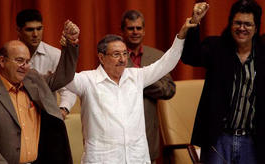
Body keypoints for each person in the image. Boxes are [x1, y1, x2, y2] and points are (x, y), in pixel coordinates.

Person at [65, 15, 197, 163]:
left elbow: (166, 63)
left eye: (124, 54)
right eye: (116, 54)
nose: (122, 59)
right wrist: (70, 46)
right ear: (101, 58)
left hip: (137, 158)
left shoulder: (136, 76)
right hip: (103, 159)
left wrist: (182, 35)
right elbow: (65, 78)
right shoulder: (87, 80)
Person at [182, 0, 265, 163]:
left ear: (256, 28)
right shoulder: (216, 47)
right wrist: (194, 22)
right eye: (237, 23)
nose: (242, 28)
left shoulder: (263, 54)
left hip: (252, 142)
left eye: (248, 24)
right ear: (230, 24)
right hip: (218, 139)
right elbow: (190, 57)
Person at [0, 20, 80, 164]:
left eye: (27, 62)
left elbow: (64, 77)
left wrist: (71, 44)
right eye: (19, 60)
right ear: (2, 61)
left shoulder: (33, 78)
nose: (24, 66)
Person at [0, 9, 77, 118]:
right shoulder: (2, 57)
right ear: (18, 31)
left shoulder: (54, 55)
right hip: (12, 118)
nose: (35, 34)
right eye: (30, 30)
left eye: (39, 29)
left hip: (45, 118)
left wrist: (63, 109)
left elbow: (67, 86)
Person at [120, 10, 176, 163]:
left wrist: (138, 79)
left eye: (139, 28)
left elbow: (169, 90)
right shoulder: (114, 55)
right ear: (123, 31)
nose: (135, 32)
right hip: (120, 134)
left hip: (148, 135)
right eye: (131, 28)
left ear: (144, 31)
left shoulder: (157, 56)